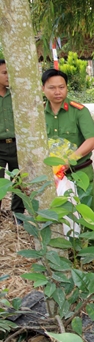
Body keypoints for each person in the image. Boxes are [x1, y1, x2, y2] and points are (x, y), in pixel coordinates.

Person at [42, 68, 94, 211]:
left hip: (79, 172)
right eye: (52, 88)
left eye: (61, 87)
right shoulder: (38, 113)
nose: (57, 92)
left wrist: (69, 161)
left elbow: (92, 141)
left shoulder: (79, 111)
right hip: (50, 175)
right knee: (56, 213)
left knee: (85, 212)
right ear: (43, 88)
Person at [0, 60, 25, 224]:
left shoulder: (16, 96)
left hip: (17, 145)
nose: (8, 76)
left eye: (10, 72)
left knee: (19, 181)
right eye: (4, 73)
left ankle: (18, 215)